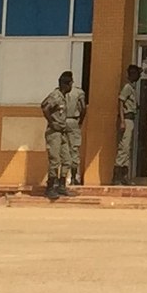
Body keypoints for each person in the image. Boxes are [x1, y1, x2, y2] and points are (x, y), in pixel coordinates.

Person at [41, 69, 86, 199]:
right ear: (66, 84)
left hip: (62, 132)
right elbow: (45, 107)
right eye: (70, 83)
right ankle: (50, 187)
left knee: (67, 160)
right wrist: (52, 122)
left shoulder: (63, 97)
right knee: (55, 160)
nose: (71, 86)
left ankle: (62, 186)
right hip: (54, 132)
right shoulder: (56, 96)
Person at [117, 59, 147, 183]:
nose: (139, 76)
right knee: (123, 148)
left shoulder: (132, 87)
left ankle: (124, 176)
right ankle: (118, 176)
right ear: (132, 74)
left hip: (131, 118)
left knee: (127, 147)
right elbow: (121, 102)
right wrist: (122, 120)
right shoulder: (127, 87)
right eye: (137, 74)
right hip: (127, 118)